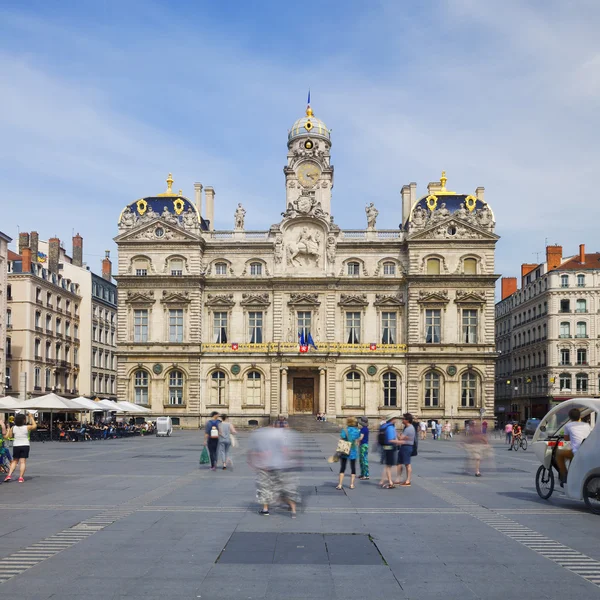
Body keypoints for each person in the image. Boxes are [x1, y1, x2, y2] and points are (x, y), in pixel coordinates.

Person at [247, 424, 300, 517]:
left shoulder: (261, 435)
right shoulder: (280, 435)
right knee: (284, 487)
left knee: (265, 487)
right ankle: (293, 509)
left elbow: (254, 451)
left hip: (266, 465)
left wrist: (252, 462)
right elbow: (285, 450)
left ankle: (265, 509)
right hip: (281, 465)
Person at [556, 407, 592, 485]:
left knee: (559, 454)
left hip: (577, 452)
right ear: (580, 416)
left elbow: (566, 438)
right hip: (588, 451)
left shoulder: (568, 426)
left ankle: (564, 474)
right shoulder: (587, 425)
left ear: (570, 417)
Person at [4, 412, 37, 483]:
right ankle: (21, 477)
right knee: (23, 462)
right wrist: (31, 417)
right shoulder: (27, 427)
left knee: (15, 461)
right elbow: (34, 426)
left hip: (16, 445)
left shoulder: (13, 428)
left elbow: (9, 436)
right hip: (25, 445)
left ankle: (9, 475)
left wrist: (9, 429)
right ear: (24, 420)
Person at [336, 417, 361, 490]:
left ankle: (340, 484)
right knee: (353, 467)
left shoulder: (345, 430)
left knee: (343, 467)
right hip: (353, 450)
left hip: (345, 450)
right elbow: (357, 441)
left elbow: (342, 439)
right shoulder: (357, 431)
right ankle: (352, 484)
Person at [379, 414, 401, 489]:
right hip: (390, 448)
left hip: (386, 447)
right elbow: (390, 439)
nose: (396, 419)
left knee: (389, 465)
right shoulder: (390, 427)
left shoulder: (384, 426)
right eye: (395, 418)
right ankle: (390, 482)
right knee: (389, 465)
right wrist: (400, 442)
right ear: (392, 419)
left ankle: (385, 480)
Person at [395, 413, 416, 486]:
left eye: (403, 419)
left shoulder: (409, 428)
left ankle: (408, 480)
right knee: (399, 463)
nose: (402, 420)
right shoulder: (408, 428)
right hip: (404, 446)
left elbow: (400, 438)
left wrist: (397, 434)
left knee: (407, 464)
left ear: (407, 420)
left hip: (407, 447)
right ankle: (398, 479)